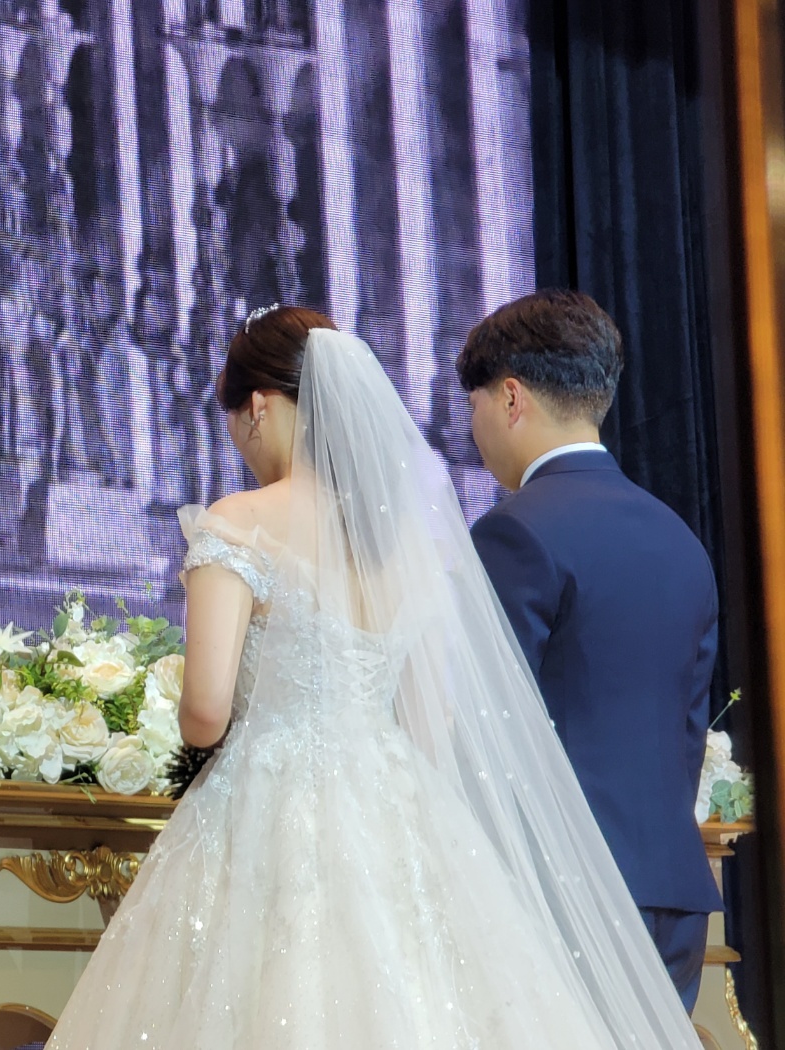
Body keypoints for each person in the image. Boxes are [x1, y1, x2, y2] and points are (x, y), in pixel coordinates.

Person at [44, 306, 702, 1048]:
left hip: (271, 804)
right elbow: (428, 720)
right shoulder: (404, 545)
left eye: (233, 420)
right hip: (398, 802)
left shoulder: (236, 524)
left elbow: (205, 711)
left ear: (258, 407)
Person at [459, 288, 720, 1011]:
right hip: (671, 889)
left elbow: (483, 722)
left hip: (564, 888)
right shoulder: (679, 537)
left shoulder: (514, 530)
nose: (473, 429)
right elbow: (687, 732)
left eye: (472, 405)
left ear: (511, 397)